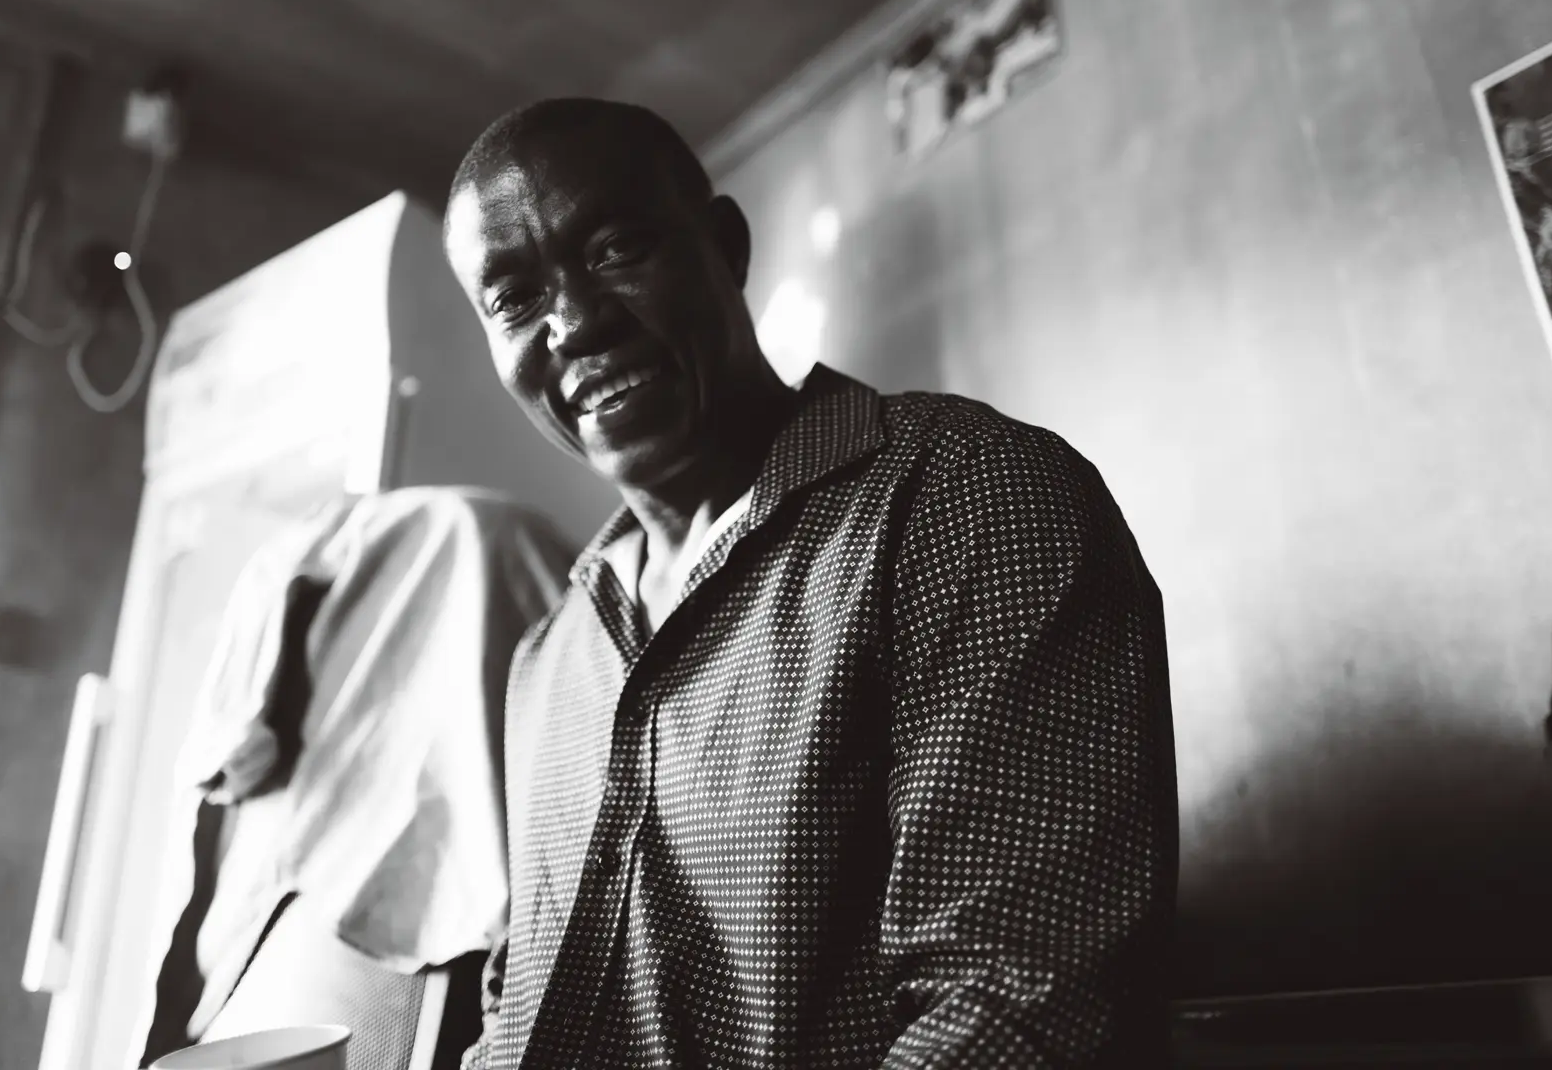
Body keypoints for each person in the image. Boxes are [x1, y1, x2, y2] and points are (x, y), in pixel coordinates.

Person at [442, 98, 1176, 1069]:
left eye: (618, 248)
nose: (573, 321)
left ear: (725, 247)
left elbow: (1015, 1003)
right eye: (515, 297)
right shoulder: (546, 660)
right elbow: (515, 1007)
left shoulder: (963, 496)